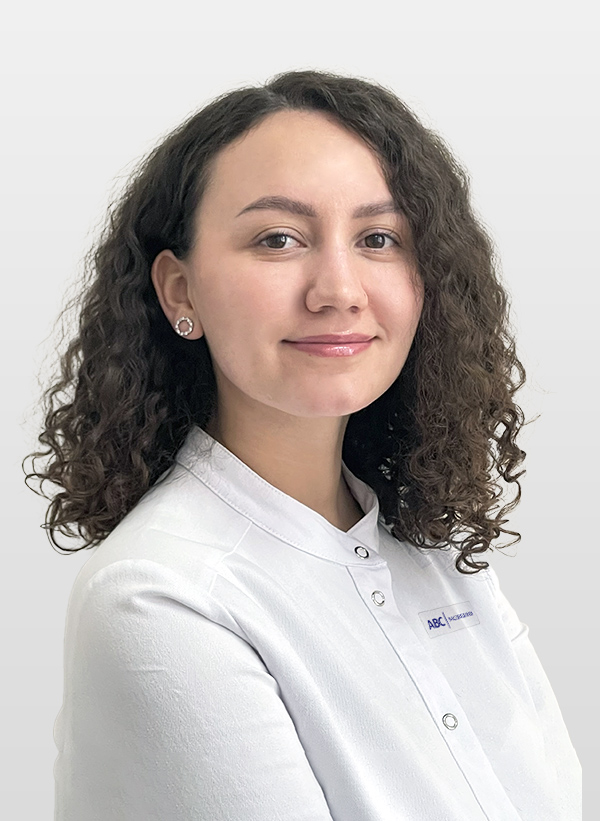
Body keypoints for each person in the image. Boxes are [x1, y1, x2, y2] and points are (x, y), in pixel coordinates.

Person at [25, 69, 581, 820]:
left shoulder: (438, 560)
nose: (338, 290)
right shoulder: (159, 598)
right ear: (180, 291)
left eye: (378, 239)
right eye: (278, 239)